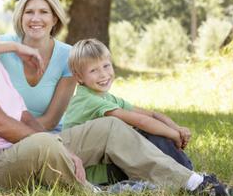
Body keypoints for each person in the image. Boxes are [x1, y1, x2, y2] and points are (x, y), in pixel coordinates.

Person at [0, 0, 233, 196]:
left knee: (107, 127)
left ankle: (196, 184)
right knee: (45, 146)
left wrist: (57, 140)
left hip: (17, 150)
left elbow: (22, 117)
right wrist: (57, 146)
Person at [64, 38, 193, 170]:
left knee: (155, 130)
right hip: (95, 171)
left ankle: (185, 171)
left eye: (106, 66)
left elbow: (153, 115)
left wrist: (176, 129)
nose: (103, 74)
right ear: (79, 77)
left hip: (108, 160)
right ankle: (186, 173)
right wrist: (173, 135)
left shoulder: (107, 98)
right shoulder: (88, 100)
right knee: (150, 132)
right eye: (93, 70)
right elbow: (142, 122)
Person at [0, 0, 75, 132]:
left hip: (49, 135)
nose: (35, 19)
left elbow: (50, 121)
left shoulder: (68, 56)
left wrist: (9, 132)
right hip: (4, 137)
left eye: (43, 12)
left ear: (54, 19)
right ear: (21, 17)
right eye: (29, 12)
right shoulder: (6, 45)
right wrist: (15, 47)